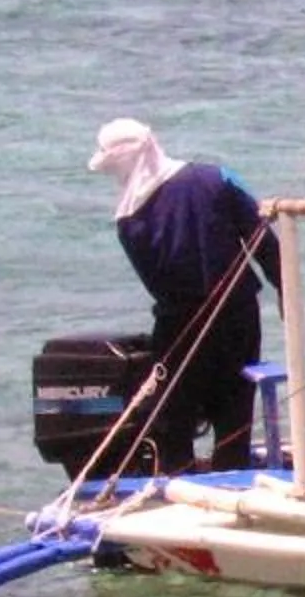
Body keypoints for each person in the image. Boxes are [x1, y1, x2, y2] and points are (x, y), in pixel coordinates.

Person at [88, 118, 283, 472]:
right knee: (235, 405)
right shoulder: (216, 178)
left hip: (177, 324)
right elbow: (262, 240)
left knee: (175, 414)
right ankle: (231, 474)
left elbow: (161, 280)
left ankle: (178, 479)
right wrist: (284, 289)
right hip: (236, 315)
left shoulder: (128, 221)